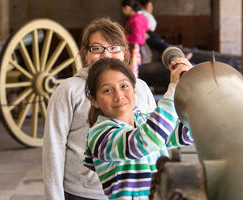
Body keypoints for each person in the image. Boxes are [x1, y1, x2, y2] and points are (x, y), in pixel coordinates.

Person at [42, 17, 157, 200]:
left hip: (132, 193)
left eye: (113, 48)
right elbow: (53, 149)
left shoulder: (140, 88)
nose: (106, 55)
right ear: (85, 53)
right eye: (96, 48)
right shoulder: (69, 90)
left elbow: (154, 139)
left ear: (124, 52)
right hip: (83, 193)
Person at [83, 57, 194, 199]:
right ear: (94, 101)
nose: (118, 96)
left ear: (134, 90)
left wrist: (192, 86)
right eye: (107, 90)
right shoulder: (99, 135)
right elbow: (147, 140)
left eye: (124, 86)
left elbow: (189, 133)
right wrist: (173, 89)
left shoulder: (145, 121)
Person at [121, 0, 149, 77]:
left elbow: (137, 38)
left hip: (134, 49)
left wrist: (123, 37)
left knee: (133, 71)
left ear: (127, 7)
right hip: (139, 47)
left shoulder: (135, 20)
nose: (123, 11)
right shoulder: (141, 18)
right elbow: (147, 28)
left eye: (123, 9)